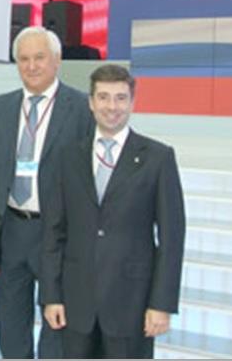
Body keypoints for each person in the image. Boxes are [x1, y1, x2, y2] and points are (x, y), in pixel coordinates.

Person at [41, 64, 186, 359]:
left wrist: (161, 304)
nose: (112, 107)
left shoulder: (158, 158)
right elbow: (54, 231)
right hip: (76, 304)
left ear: (132, 102)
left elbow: (172, 238)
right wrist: (51, 296)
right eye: (104, 97)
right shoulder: (68, 156)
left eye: (120, 98)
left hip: (131, 305)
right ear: (91, 102)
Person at [0, 27, 94, 358]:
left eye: (39, 57)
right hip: (12, 231)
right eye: (24, 59)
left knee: (57, 328)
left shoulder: (82, 107)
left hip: (58, 234)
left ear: (57, 61)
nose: (31, 66)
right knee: (11, 327)